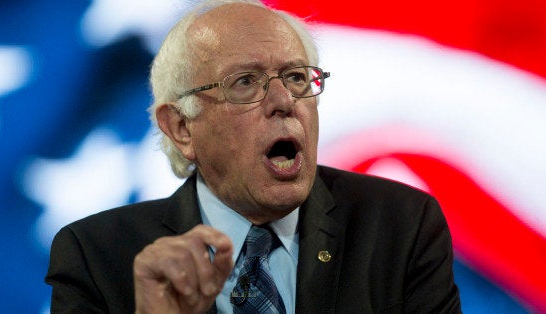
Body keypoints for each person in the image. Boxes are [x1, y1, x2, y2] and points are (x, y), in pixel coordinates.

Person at [45, 0, 462, 313]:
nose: (284, 101)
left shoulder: (399, 225)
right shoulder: (96, 257)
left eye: (298, 78)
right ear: (182, 128)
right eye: (244, 82)